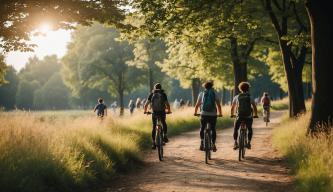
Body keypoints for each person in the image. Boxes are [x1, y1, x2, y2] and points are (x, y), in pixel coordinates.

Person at [194, 81, 222, 152]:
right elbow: (218, 105)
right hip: (213, 115)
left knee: (202, 128)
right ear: (212, 86)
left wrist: (195, 112)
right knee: (213, 129)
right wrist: (220, 113)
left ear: (205, 87)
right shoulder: (214, 93)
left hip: (203, 114)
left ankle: (202, 142)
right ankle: (213, 144)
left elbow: (197, 104)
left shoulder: (201, 93)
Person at [231, 82, 258, 150]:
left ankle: (235, 143)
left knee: (236, 129)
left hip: (239, 116)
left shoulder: (236, 97)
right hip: (248, 116)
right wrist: (255, 115)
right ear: (248, 89)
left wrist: (232, 115)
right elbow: (254, 107)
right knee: (249, 129)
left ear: (240, 89)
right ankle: (248, 142)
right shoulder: (250, 97)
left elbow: (232, 108)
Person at [144, 83, 172, 149]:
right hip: (162, 112)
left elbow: (146, 105)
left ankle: (153, 143)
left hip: (154, 113)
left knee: (154, 127)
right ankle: (165, 136)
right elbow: (167, 104)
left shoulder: (152, 94)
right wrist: (169, 111)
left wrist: (145, 111)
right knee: (163, 122)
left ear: (154, 88)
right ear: (161, 88)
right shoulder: (163, 94)